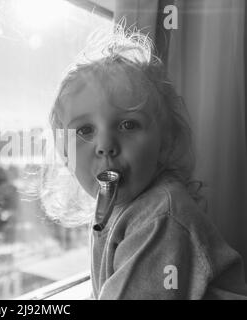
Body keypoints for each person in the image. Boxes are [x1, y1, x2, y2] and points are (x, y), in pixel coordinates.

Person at [42, 26, 247, 299]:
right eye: (84, 131)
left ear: (164, 143)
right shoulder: (114, 208)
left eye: (128, 124)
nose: (105, 146)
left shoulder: (160, 219)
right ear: (65, 154)